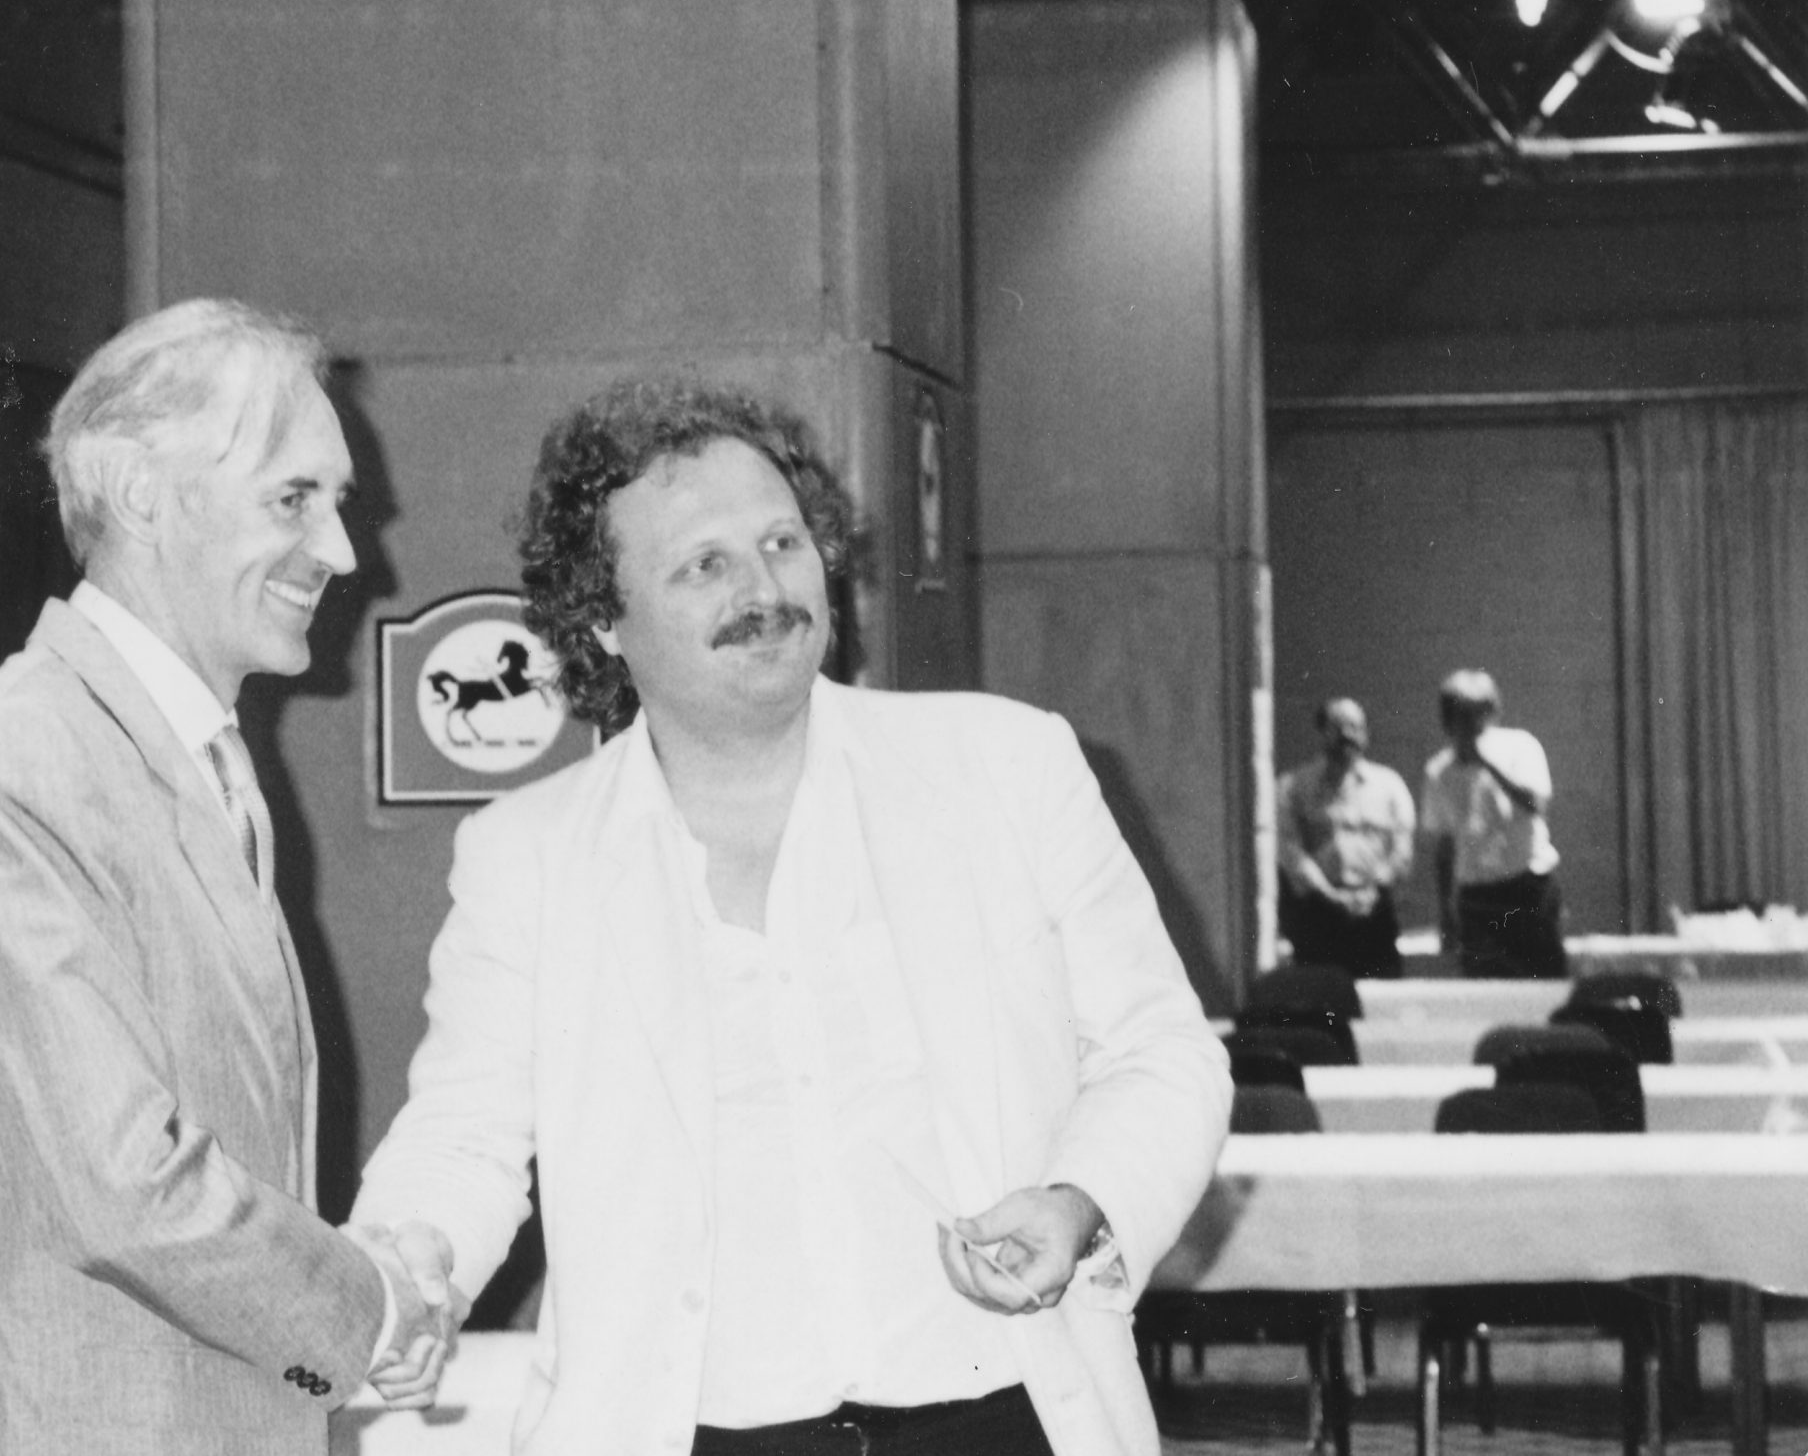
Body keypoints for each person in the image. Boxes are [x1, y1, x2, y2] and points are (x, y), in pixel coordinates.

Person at [351, 377, 1231, 1456]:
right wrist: (405, 1265)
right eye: (703, 565)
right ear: (601, 621)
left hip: (1006, 1415)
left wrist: (1078, 1200)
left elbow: (1162, 1053)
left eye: (781, 543)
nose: (763, 589)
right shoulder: (526, 856)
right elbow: (463, 1135)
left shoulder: (1006, 767)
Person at [0, 299, 452, 1456]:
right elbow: (126, 1184)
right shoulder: (26, 752)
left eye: (335, 503)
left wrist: (339, 1340)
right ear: (143, 495)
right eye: (292, 499)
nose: (344, 554)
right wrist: (370, 1304)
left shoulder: (201, 759)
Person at [1421, 668, 1564, 978]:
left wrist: (1487, 763)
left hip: (1527, 886)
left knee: (1543, 982)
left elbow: (1535, 804)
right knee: (1485, 987)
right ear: (1448, 721)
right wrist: (1446, 912)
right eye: (1463, 715)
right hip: (1476, 896)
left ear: (1493, 712)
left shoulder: (1520, 746)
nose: (1474, 724)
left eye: (1481, 713)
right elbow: (1444, 846)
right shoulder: (1438, 771)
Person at [1274, 697, 1415, 979]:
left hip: (1374, 914)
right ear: (1322, 732)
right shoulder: (1293, 787)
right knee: (1320, 1004)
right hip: (1319, 916)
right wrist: (1330, 895)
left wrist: (1374, 889)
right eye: (1339, 727)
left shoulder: (1389, 785)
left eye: (1356, 727)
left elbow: (1401, 849)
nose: (1348, 735)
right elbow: (1290, 851)